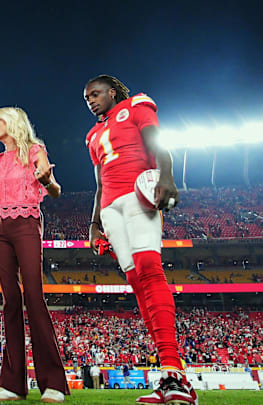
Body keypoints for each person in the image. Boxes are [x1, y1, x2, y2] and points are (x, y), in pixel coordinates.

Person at [83, 74, 196, 405]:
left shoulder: (136, 105)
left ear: (112, 91)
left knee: (149, 269)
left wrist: (168, 176)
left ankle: (175, 375)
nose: (90, 100)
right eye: (86, 97)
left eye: (95, 93)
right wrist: (93, 224)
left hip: (137, 194)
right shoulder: (93, 134)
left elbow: (156, 143)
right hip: (109, 209)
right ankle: (168, 377)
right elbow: (100, 181)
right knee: (136, 281)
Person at [0, 106, 68, 403]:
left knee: (34, 298)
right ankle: (11, 384)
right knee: (9, 302)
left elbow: (55, 191)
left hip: (27, 223)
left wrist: (45, 179)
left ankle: (53, 383)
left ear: (13, 124)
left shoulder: (36, 150)